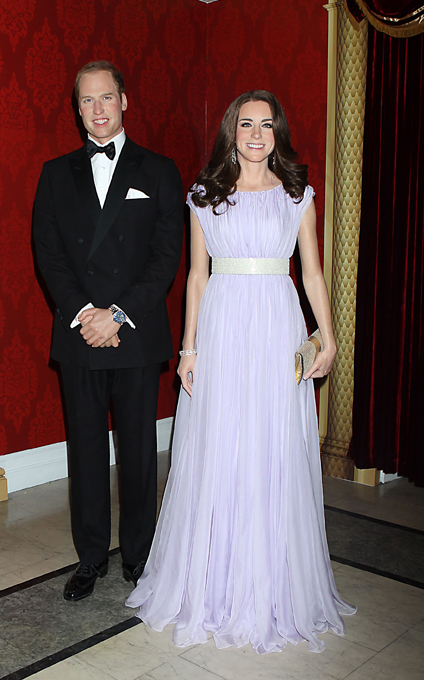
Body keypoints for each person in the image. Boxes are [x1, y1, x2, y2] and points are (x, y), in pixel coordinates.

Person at [126, 91, 355, 653]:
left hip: (277, 324)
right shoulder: (205, 195)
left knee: (271, 446)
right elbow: (196, 276)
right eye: (246, 124)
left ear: (278, 133)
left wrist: (328, 337)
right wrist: (189, 349)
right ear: (231, 131)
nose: (256, 134)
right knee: (220, 446)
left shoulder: (297, 194)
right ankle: (212, 583)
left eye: (266, 125)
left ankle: (272, 586)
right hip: (223, 326)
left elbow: (312, 273)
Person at [33, 61, 183, 601]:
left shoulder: (159, 170)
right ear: (78, 110)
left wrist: (116, 314)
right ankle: (91, 557)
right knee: (87, 452)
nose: (98, 109)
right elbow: (48, 255)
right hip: (80, 334)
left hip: (135, 332)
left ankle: (138, 556)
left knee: (139, 453)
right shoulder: (55, 173)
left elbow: (166, 256)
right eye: (87, 101)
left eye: (106, 98)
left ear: (124, 101)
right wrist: (85, 314)